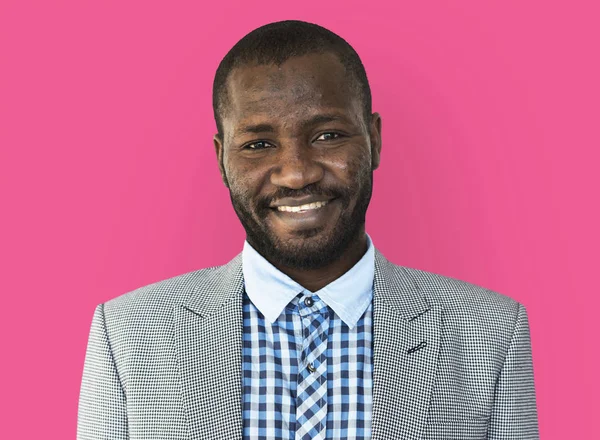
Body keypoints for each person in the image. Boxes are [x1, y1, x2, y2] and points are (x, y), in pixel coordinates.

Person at [77, 20, 539, 440]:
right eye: (259, 144)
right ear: (221, 158)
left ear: (373, 140)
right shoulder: (125, 336)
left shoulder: (493, 335)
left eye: (328, 135)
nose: (296, 174)